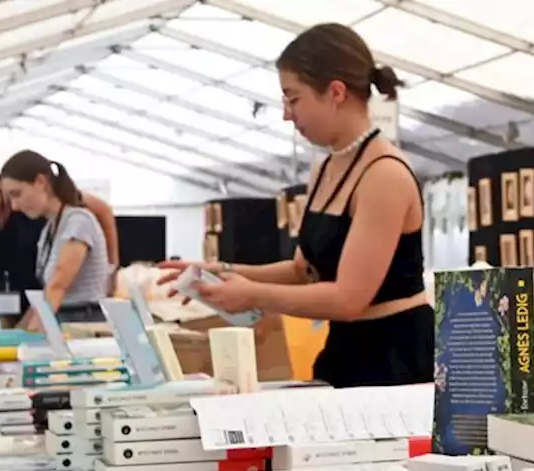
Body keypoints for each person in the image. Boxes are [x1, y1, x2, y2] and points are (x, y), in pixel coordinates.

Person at [160, 23, 432, 388]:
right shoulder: (326, 168)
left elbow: (349, 297)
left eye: (293, 98)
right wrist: (220, 270)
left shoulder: (384, 175)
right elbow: (304, 270)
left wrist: (251, 294)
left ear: (335, 92)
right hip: (345, 349)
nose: (287, 114)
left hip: (393, 360)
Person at [0, 150, 119, 347]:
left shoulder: (30, 192)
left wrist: (111, 269)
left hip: (62, 314)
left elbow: (100, 210)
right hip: (23, 311)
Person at [0, 150, 112, 328]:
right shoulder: (50, 229)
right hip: (65, 319)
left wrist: (31, 336)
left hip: (84, 323)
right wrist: (17, 333)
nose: (14, 206)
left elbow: (58, 285)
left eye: (17, 194)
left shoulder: (78, 221)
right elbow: (48, 292)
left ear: (41, 182)